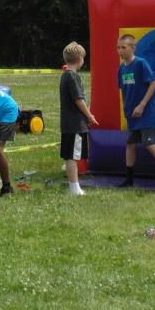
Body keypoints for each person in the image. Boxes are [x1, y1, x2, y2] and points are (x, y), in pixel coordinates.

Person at [118, 33, 155, 187]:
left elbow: (153, 84)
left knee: (149, 143)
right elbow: (124, 90)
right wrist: (127, 108)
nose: (120, 51)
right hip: (133, 114)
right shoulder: (122, 68)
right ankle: (129, 179)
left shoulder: (141, 64)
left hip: (146, 112)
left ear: (133, 48)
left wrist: (142, 105)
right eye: (118, 47)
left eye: (123, 47)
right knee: (130, 144)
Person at [60, 42, 98, 197]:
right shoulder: (73, 76)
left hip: (68, 123)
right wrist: (89, 115)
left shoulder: (65, 75)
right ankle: (75, 189)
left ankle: (74, 186)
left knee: (71, 156)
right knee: (73, 157)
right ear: (80, 59)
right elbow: (79, 100)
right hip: (75, 124)